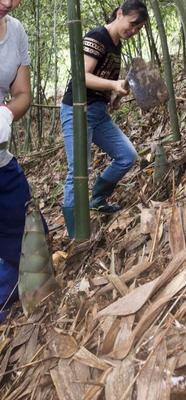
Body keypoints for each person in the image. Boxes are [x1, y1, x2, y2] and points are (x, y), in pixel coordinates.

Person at [61, 0, 148, 238]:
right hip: (77, 111)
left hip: (98, 112)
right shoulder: (98, 36)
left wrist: (114, 95)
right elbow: (82, 76)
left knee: (127, 156)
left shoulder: (116, 45)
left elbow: (103, 81)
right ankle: (76, 233)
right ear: (120, 14)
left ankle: (97, 199)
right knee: (78, 170)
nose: (133, 31)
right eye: (132, 24)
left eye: (138, 29)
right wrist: (112, 84)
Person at [0, 0, 34, 320]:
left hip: (0, 158)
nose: (8, 3)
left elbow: (23, 92)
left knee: (28, 232)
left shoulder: (17, 30)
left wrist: (6, 114)